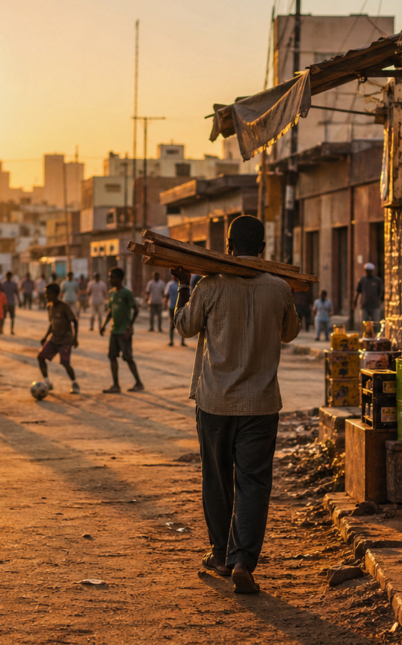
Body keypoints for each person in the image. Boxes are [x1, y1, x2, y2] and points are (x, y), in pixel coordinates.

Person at [171, 216, 299, 594]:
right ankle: (243, 558)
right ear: (262, 249)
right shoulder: (279, 288)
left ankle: (221, 555)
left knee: (217, 478)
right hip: (260, 405)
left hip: (215, 403)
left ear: (228, 247)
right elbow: (290, 333)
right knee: (253, 483)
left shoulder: (208, 287)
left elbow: (184, 326)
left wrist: (182, 287)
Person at [99, 267, 143, 393]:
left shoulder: (126, 293)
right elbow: (110, 311)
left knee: (128, 357)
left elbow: (136, 310)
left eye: (111, 277)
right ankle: (116, 385)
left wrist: (129, 327)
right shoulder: (111, 293)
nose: (110, 279)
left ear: (119, 278)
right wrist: (104, 325)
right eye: (109, 277)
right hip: (114, 330)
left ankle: (139, 383)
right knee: (112, 356)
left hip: (124, 331)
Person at [37, 282, 80, 394]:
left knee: (65, 363)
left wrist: (75, 338)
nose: (45, 296)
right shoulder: (50, 307)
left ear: (55, 294)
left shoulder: (64, 306)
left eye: (48, 294)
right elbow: (52, 324)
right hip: (54, 338)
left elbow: (74, 321)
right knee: (40, 357)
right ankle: (47, 382)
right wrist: (45, 337)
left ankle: (75, 383)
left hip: (65, 339)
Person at [165, 277, 185, 347]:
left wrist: (165, 302)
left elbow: (166, 295)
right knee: (181, 323)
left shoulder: (170, 284)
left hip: (172, 306)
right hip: (179, 306)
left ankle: (172, 341)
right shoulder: (182, 284)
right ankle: (181, 342)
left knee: (172, 324)